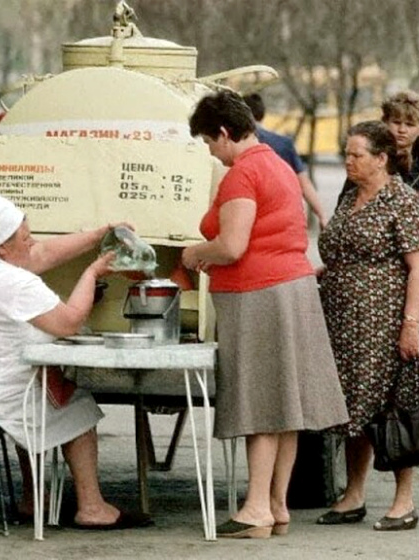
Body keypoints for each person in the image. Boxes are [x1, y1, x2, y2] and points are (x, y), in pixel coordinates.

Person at [0, 194, 150, 530]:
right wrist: (91, 273)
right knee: (76, 405)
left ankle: (33, 499)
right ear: (3, 247)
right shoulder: (12, 282)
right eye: (25, 238)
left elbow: (41, 254)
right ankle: (92, 507)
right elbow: (69, 322)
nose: (32, 243)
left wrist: (100, 234)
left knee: (32, 403)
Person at [181, 91, 349, 539]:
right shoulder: (278, 164)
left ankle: (255, 507)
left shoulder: (242, 173)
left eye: (208, 142)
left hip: (257, 294)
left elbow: (233, 245)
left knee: (258, 404)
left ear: (223, 132)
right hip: (293, 288)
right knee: (284, 404)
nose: (210, 152)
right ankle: (276, 503)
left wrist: (196, 253)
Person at [317, 120, 419, 531]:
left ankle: (404, 500)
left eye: (356, 155)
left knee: (392, 408)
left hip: (382, 322)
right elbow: (340, 253)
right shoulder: (350, 197)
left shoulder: (404, 202)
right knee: (353, 408)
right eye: (346, 154)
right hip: (342, 321)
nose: (348, 161)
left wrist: (411, 325)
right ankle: (354, 493)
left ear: (381, 159)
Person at [336, 90, 419, 376]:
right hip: (372, 270)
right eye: (396, 122)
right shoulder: (370, 160)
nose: (401, 130)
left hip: (416, 265)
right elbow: (343, 209)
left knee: (413, 353)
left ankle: (412, 398)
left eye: (409, 124)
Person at [242, 93, 329, 229]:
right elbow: (304, 184)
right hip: (280, 217)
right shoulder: (284, 143)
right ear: (262, 114)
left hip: (247, 215)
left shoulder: (234, 142)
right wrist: (322, 215)